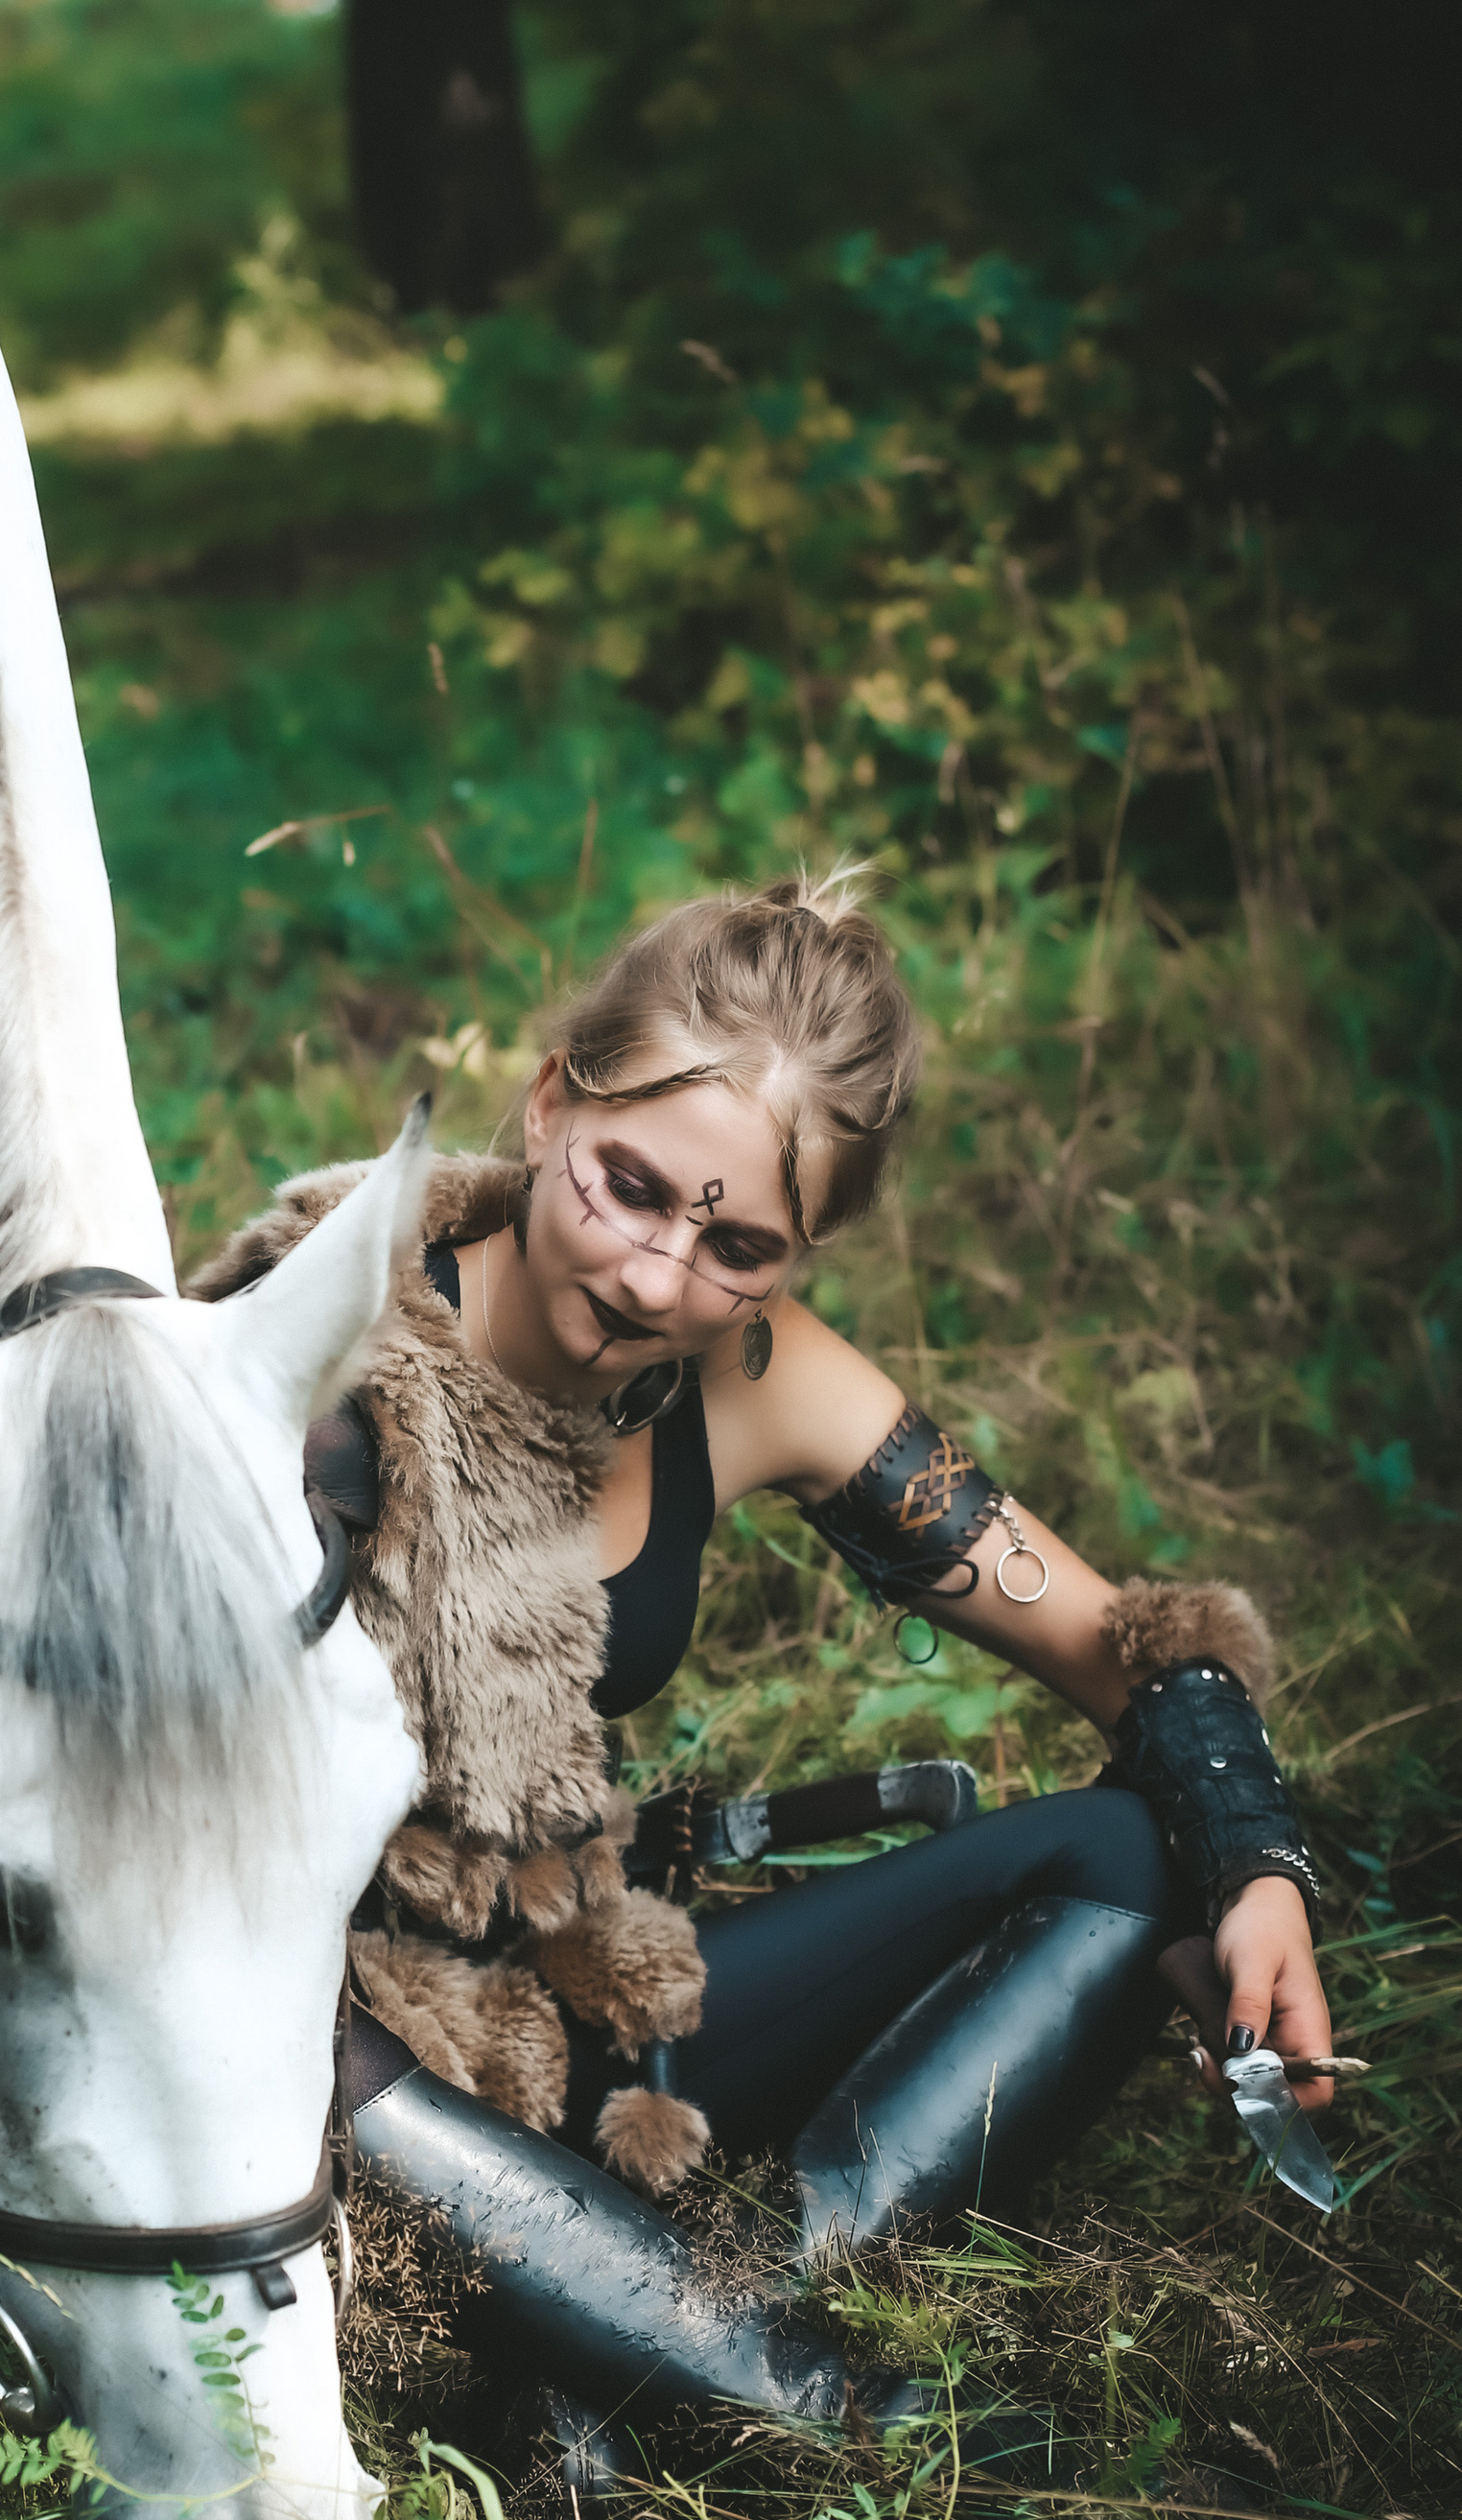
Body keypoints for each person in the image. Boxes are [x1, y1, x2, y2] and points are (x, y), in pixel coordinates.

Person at [194, 872, 1336, 2437]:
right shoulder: (315, 1361)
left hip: (565, 2009)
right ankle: (799, 2403)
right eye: (630, 1187)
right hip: (311, 2053)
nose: (659, 1277)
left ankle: (678, 2327)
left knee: (1131, 1851)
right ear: (550, 1103)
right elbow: (148, 1871)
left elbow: (1127, 1654)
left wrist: (1255, 1870)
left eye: (739, 1242)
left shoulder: (749, 1370)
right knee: (261, 2036)